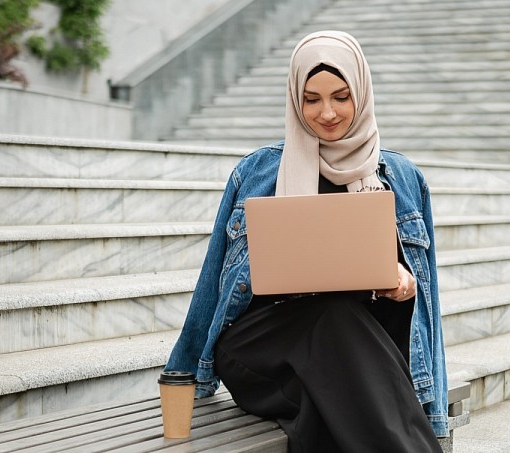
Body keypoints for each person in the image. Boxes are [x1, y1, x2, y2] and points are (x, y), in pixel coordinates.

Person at [163, 30, 448, 453]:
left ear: (362, 94)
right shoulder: (256, 173)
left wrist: (403, 286)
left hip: (359, 352)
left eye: (341, 96)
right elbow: (212, 281)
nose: (327, 113)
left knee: (332, 388)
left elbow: (429, 303)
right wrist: (183, 374)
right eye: (311, 99)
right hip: (263, 350)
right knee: (334, 324)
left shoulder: (404, 179)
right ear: (295, 99)